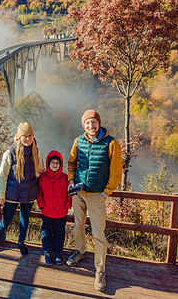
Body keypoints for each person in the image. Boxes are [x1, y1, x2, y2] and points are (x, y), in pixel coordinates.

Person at [66, 109, 122, 292]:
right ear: (84, 125)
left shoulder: (111, 143)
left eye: (93, 122)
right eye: (87, 123)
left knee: (99, 234)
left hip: (97, 195)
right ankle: (80, 252)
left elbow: (116, 172)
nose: (91, 126)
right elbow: (72, 162)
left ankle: (100, 270)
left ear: (99, 123)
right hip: (79, 192)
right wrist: (71, 179)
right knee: (78, 226)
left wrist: (106, 192)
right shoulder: (78, 141)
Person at [0, 122, 44, 256]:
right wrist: (1, 195)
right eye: (25, 136)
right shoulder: (10, 153)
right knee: (7, 218)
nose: (28, 139)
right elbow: (2, 175)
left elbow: (39, 171)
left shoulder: (36, 151)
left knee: (25, 219)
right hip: (13, 193)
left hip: (30, 193)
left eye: (30, 135)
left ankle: (21, 242)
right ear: (19, 137)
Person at [37, 150, 72, 265]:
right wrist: (41, 204)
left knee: (59, 233)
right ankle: (47, 252)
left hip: (61, 212)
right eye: (53, 162)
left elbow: (69, 194)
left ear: (61, 164)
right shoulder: (42, 178)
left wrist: (68, 205)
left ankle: (57, 252)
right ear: (48, 163)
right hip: (47, 211)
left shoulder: (65, 178)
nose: (55, 165)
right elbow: (39, 193)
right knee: (46, 232)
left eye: (58, 163)